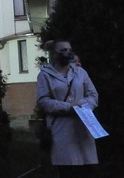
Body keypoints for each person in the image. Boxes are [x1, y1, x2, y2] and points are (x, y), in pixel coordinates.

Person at [37, 40, 99, 177]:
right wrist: (67, 107)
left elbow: (93, 95)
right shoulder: (45, 75)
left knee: (88, 170)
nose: (67, 53)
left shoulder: (80, 73)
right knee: (68, 171)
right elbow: (43, 101)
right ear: (54, 54)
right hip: (61, 131)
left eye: (69, 50)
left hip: (83, 128)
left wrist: (84, 104)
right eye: (63, 50)